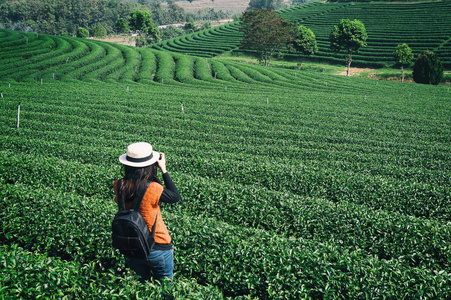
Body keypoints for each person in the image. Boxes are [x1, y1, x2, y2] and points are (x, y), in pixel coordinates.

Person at [114, 142, 180, 282]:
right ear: (150, 166)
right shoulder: (153, 188)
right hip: (157, 247)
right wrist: (164, 170)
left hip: (132, 246)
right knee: (165, 289)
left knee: (140, 286)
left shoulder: (119, 185)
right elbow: (175, 196)